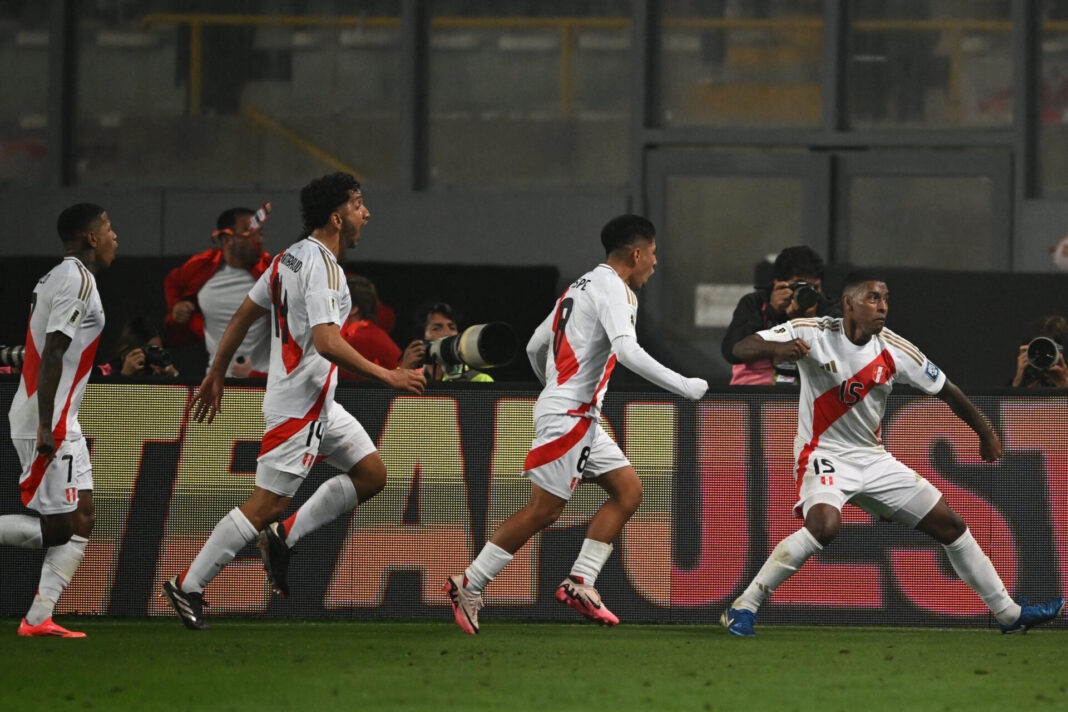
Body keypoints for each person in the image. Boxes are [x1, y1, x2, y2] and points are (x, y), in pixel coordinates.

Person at [720, 271, 1064, 637]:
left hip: (873, 458)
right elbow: (738, 348)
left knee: (951, 525)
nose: (882, 306)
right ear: (849, 304)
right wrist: (779, 349)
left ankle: (1009, 613)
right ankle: (743, 607)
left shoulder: (895, 350)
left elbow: (948, 391)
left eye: (885, 299)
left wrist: (985, 433)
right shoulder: (811, 331)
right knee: (824, 527)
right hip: (823, 452)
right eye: (872, 298)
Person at [161, 172, 425, 630]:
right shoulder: (322, 267)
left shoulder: (290, 257)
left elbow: (246, 312)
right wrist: (388, 374)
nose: (367, 212)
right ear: (337, 217)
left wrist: (216, 372)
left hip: (320, 405)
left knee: (371, 474)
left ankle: (284, 537)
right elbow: (325, 342)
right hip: (299, 406)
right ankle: (187, 585)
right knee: (264, 504)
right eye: (359, 204)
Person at [443, 215, 708, 635]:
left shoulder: (580, 285)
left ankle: (581, 581)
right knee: (544, 510)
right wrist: (684, 385)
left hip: (576, 413)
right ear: (636, 253)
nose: (655, 264)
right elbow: (626, 351)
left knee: (628, 491)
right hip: (570, 414)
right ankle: (469, 584)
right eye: (653, 254)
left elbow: (535, 343)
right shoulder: (614, 290)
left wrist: (553, 387)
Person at [0, 203, 118, 637]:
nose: (114, 238)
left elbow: (41, 350)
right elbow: (52, 353)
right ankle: (37, 617)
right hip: (47, 417)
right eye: (108, 229)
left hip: (62, 415)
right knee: (60, 527)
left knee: (83, 515)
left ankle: (38, 618)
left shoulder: (55, 277)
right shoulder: (76, 280)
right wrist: (48, 425)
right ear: (90, 238)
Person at [163, 206, 272, 377]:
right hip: (215, 384)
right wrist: (176, 305)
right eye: (250, 232)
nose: (258, 240)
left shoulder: (270, 270)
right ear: (227, 239)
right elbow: (172, 281)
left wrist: (258, 376)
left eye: (260, 233)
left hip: (261, 384)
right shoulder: (202, 266)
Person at [721, 245, 838, 386]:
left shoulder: (828, 308)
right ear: (778, 283)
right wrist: (771, 311)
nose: (807, 293)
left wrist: (809, 322)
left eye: (814, 287)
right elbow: (731, 352)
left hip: (811, 394)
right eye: (800, 286)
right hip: (757, 394)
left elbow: (841, 355)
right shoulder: (755, 303)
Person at [337, 274, 411, 380]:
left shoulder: (360, 339)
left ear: (353, 308)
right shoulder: (367, 332)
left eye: (337, 302)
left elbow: (335, 379)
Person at [413, 301, 493, 383]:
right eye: (436, 328)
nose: (446, 333)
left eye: (452, 327)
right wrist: (404, 369)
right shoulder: (412, 378)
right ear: (422, 337)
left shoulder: (481, 380)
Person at [96, 315, 180, 379]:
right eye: (150, 350)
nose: (154, 356)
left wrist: (174, 377)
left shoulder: (160, 374)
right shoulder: (104, 373)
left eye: (158, 350)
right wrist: (125, 376)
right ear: (129, 351)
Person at [1010, 315, 1068, 388]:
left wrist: (1064, 384)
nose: (1045, 355)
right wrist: (1017, 383)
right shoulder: (1031, 383)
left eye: (1050, 350)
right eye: (1039, 350)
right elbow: (997, 399)